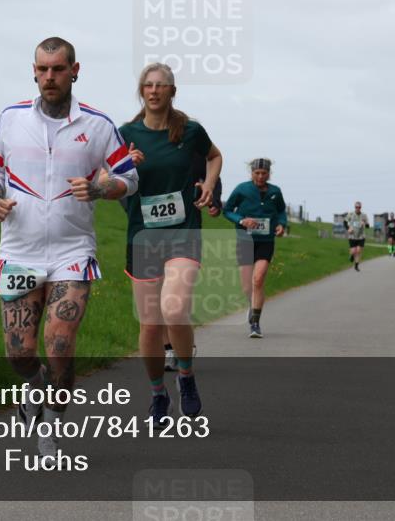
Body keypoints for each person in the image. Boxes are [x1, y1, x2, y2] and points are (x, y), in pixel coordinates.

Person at [0, 37, 138, 462]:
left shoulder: (99, 125)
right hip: (19, 249)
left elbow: (128, 178)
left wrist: (101, 187)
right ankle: (33, 388)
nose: (50, 77)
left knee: (61, 344)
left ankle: (49, 430)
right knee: (20, 353)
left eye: (58, 69)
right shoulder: (11, 119)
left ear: (75, 71)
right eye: (43, 69)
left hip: (72, 250)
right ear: (34, 71)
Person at [120, 63, 222, 424]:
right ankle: (158, 396)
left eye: (161, 85)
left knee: (174, 309)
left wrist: (209, 185)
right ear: (141, 91)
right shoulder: (126, 134)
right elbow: (105, 178)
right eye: (147, 85)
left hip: (183, 234)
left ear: (172, 91)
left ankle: (186, 377)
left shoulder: (190, 131)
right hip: (143, 238)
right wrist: (123, 167)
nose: (154, 90)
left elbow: (215, 156)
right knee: (149, 325)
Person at [163, 153, 220, 371]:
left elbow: (214, 182)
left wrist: (212, 199)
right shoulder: (150, 151)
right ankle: (169, 349)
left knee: (176, 302)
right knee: (157, 299)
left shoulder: (197, 157)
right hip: (150, 234)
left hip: (185, 232)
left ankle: (182, 347)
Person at [223, 158, 287, 338]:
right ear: (251, 173)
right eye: (257, 173)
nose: (260, 176)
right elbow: (227, 210)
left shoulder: (275, 191)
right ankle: (252, 305)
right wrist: (241, 220)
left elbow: (281, 211)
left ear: (269, 174)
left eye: (264, 173)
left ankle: (255, 324)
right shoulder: (242, 189)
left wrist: (281, 224)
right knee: (246, 287)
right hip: (245, 240)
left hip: (266, 241)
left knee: (258, 280)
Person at [344, 201, 370, 272]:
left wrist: (364, 223)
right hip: (352, 236)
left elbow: (368, 226)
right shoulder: (351, 214)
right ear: (354, 207)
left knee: (358, 251)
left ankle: (356, 265)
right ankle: (352, 256)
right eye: (356, 207)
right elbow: (345, 222)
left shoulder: (364, 215)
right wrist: (348, 229)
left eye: (359, 207)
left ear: (361, 208)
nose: (358, 208)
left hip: (361, 236)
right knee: (353, 251)